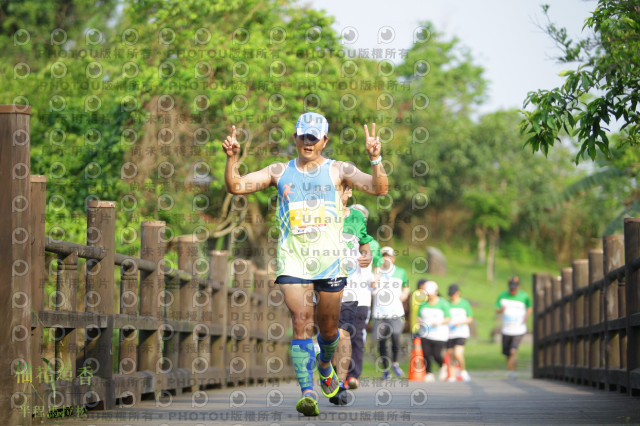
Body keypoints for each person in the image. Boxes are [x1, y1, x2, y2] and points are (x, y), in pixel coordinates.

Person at [222, 112, 388, 416]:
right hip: (293, 259)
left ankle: (325, 367)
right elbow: (237, 186)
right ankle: (307, 391)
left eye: (314, 137)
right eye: (303, 136)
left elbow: (379, 189)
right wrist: (232, 159)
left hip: (330, 262)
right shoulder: (278, 170)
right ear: (295, 138)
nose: (308, 142)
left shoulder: (339, 170)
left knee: (327, 331)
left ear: (324, 140)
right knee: (300, 321)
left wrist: (376, 159)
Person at [329, 188, 372, 405]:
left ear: (349, 191)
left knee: (343, 333)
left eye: (340, 188)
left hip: (349, 285)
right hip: (322, 283)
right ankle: (327, 372)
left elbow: (365, 245)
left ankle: (341, 383)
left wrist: (367, 255)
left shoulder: (356, 217)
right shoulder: (319, 213)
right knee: (327, 336)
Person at [345, 204, 381, 390]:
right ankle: (336, 372)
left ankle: (353, 375)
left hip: (362, 296)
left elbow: (378, 267)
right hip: (339, 293)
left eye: (363, 218)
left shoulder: (373, 244)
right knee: (336, 334)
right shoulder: (340, 235)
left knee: (356, 335)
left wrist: (375, 279)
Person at [372, 246, 410, 379]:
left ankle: (395, 362)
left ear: (393, 258)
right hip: (380, 313)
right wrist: (376, 277)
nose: (386, 258)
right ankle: (385, 368)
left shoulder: (401, 271)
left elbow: (406, 285)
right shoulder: (376, 272)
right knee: (381, 342)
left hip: (396, 312)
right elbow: (372, 288)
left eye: (388, 256)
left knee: (395, 337)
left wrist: (405, 293)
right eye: (383, 256)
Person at [495, 276, 533, 379]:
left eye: (515, 287)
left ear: (518, 286)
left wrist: (526, 317)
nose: (513, 289)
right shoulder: (502, 296)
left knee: (513, 350)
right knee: (507, 353)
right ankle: (511, 370)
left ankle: (512, 372)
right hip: (506, 329)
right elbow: (496, 308)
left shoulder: (524, 296)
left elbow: (530, 306)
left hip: (519, 328)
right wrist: (501, 310)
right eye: (511, 287)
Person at [417, 281, 450, 382]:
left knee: (436, 354)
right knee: (426, 354)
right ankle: (429, 373)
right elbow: (418, 316)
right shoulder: (423, 303)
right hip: (425, 333)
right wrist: (420, 321)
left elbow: (448, 318)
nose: (429, 296)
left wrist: (439, 322)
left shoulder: (443, 303)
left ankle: (442, 365)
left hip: (439, 334)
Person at [446, 283, 473, 382]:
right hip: (449, 333)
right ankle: (452, 376)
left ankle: (463, 370)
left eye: (454, 294)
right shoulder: (447, 304)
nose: (452, 296)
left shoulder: (464, 303)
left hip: (461, 332)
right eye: (450, 294)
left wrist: (460, 322)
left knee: (458, 353)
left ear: (458, 293)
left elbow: (470, 318)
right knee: (451, 354)